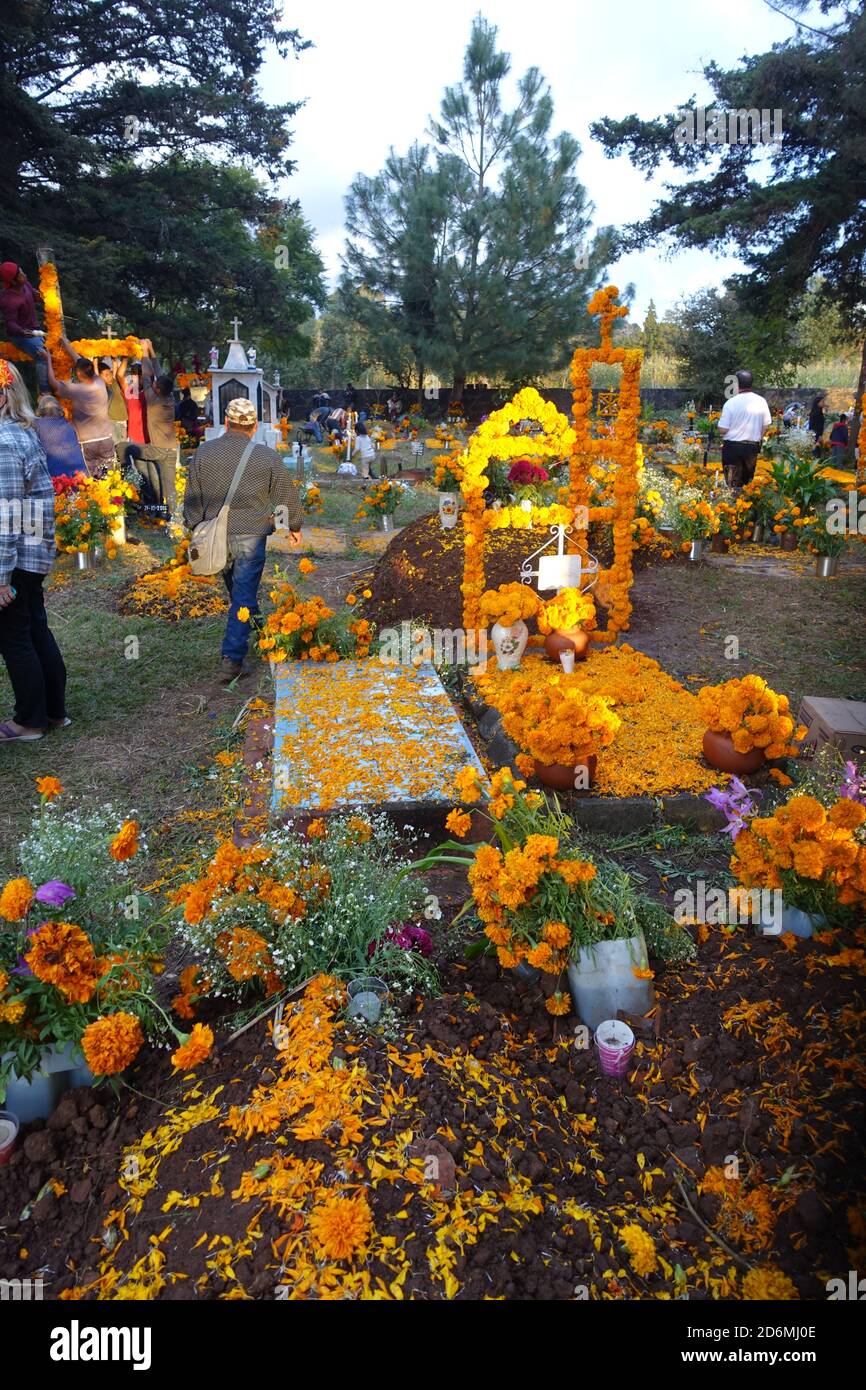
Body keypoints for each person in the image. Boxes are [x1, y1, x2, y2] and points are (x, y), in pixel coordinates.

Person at [184, 397, 303, 684]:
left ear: (226, 423)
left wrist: (196, 526)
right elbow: (285, 496)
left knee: (241, 594)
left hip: (216, 536)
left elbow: (192, 497)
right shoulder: (266, 456)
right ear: (253, 427)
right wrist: (292, 526)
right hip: (251, 535)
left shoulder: (204, 453)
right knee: (244, 594)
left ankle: (264, 635)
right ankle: (232, 659)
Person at [0, 360, 68, 742]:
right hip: (30, 553)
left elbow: (6, 518)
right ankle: (53, 711)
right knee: (35, 629)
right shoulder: (22, 434)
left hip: (15, 557)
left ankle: (29, 721)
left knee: (14, 637)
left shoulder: (4, 443)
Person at [42, 341, 115, 475]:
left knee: (93, 482)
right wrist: (66, 343)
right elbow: (80, 361)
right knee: (109, 478)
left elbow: (53, 382)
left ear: (79, 374)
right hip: (106, 438)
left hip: (87, 443)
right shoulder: (99, 382)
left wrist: (47, 359)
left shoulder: (78, 390)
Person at [124, 343, 178, 512]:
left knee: (124, 449)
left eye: (155, 385)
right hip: (170, 449)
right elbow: (159, 373)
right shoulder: (169, 397)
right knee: (169, 486)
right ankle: (172, 514)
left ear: (158, 389)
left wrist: (144, 352)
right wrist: (151, 349)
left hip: (157, 450)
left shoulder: (153, 400)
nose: (152, 385)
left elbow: (147, 376)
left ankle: (153, 507)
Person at [718, 370, 772, 490]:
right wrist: (757, 437)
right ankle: (746, 505)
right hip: (751, 448)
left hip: (732, 448)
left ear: (736, 384)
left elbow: (723, 429)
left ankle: (732, 506)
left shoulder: (730, 403)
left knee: (732, 482)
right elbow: (766, 425)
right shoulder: (761, 401)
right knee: (747, 484)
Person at [0, 262, 49, 393]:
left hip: (34, 329)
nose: (24, 274)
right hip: (20, 336)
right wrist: (22, 331)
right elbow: (10, 324)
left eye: (22, 271)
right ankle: (45, 393)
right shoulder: (8, 299)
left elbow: (33, 295)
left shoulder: (25, 284)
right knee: (42, 355)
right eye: (21, 274)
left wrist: (40, 296)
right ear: (14, 282)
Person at [33, 395, 85, 478]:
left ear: (40, 411)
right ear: (59, 410)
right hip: (78, 474)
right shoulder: (68, 425)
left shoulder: (36, 425)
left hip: (55, 477)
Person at [99, 358, 129, 461]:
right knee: (115, 449)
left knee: (124, 448)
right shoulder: (101, 387)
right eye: (106, 375)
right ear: (99, 377)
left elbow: (116, 370)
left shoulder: (116, 383)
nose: (109, 376)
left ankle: (125, 469)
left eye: (110, 373)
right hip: (111, 421)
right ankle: (116, 470)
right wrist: (95, 361)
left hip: (122, 421)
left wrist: (117, 360)